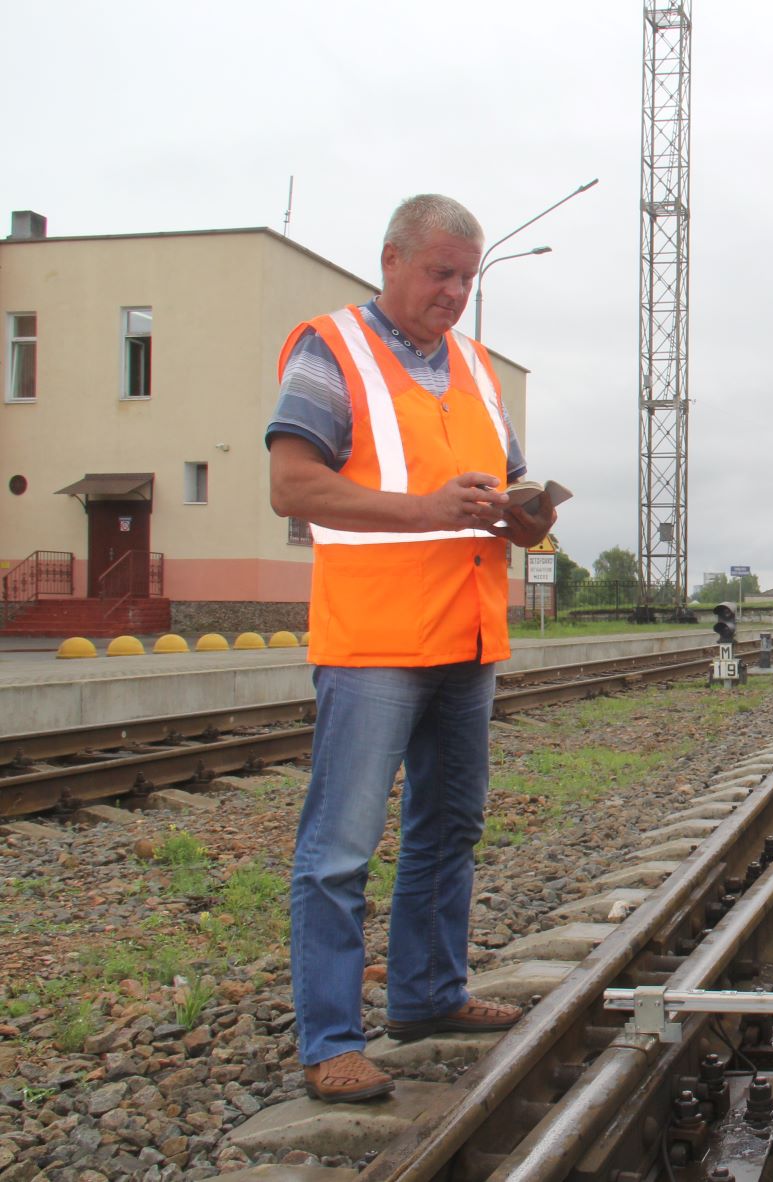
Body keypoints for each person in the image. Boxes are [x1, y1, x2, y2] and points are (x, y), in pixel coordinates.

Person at [266, 194, 557, 1103]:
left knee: (449, 830)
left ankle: (429, 995)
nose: (455, 294)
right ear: (390, 260)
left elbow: (504, 491)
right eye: (441, 273)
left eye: (466, 278)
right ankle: (329, 1040)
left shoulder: (474, 367)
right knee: (341, 848)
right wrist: (427, 511)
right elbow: (291, 484)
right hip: (376, 639)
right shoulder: (330, 348)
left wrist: (527, 516)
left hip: (468, 634)